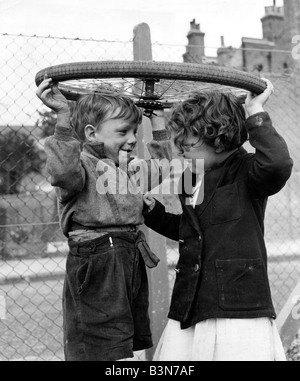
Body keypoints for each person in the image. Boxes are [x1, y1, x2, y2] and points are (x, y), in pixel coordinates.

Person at [143, 80, 294, 361]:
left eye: (188, 136)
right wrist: (152, 211)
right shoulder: (190, 176)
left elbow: (278, 164)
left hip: (237, 304)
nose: (181, 145)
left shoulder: (248, 170)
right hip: (192, 302)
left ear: (216, 133)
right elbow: (188, 231)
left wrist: (255, 112)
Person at [36, 77, 171, 361]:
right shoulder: (79, 166)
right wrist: (63, 117)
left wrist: (158, 126)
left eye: (135, 131)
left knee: (121, 344)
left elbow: (161, 169)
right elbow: (61, 172)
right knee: (101, 346)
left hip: (128, 259)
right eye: (123, 131)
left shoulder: (126, 167)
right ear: (91, 134)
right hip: (98, 262)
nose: (133, 139)